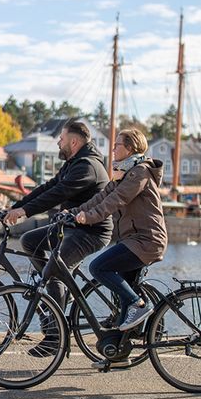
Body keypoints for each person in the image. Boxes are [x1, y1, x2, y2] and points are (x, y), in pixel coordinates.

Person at [0, 119, 113, 357]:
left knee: (54, 271)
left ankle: (56, 336)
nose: (58, 141)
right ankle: (54, 288)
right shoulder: (73, 162)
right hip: (69, 227)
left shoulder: (87, 166)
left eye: (62, 138)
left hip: (90, 231)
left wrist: (24, 212)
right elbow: (47, 187)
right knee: (29, 242)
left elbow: (58, 194)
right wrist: (15, 208)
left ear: (73, 142)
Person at [72, 129, 167, 339]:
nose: (112, 149)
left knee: (97, 267)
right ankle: (118, 352)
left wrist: (88, 218)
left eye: (117, 145)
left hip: (146, 241)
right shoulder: (125, 173)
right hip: (134, 240)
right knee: (123, 294)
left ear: (130, 148)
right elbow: (102, 196)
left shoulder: (139, 173)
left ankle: (139, 304)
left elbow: (116, 201)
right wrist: (73, 213)